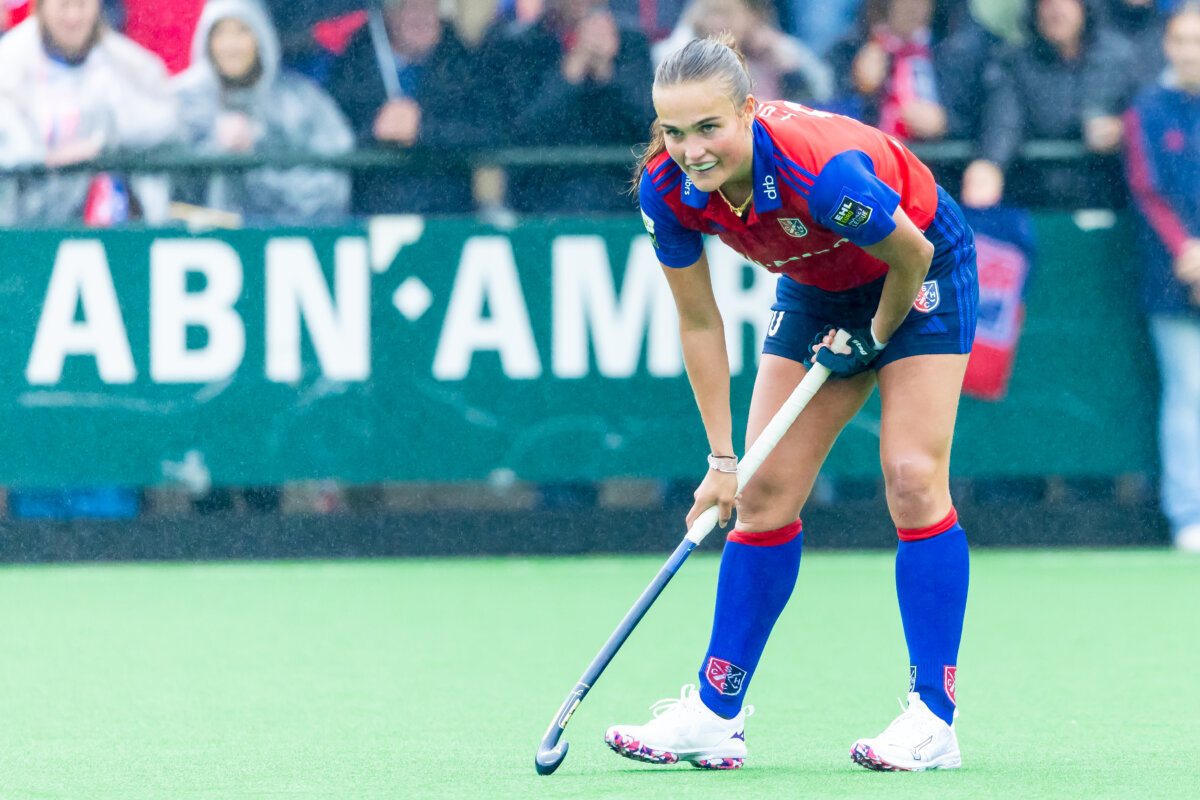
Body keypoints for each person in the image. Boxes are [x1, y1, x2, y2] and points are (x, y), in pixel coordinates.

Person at [604, 34, 977, 772]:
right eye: (673, 132)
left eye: (709, 128)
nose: (691, 151)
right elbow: (699, 323)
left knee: (911, 478)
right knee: (762, 494)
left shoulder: (819, 172)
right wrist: (722, 461)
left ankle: (934, 719)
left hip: (920, 267)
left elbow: (911, 255)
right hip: (817, 286)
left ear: (747, 111)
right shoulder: (665, 188)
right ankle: (717, 714)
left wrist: (873, 337)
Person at [1122, 2, 1200, 553]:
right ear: (1167, 47)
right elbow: (1148, 189)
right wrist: (1188, 253)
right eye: (1183, 41)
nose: (1192, 52)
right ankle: (1189, 513)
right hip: (1172, 279)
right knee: (1189, 390)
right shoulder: (1147, 109)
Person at [172, 0, 354, 225]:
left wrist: (259, 162)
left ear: (261, 35)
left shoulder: (299, 101)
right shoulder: (181, 103)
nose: (231, 45)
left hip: (283, 238)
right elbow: (162, 189)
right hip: (194, 240)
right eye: (220, 33)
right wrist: (214, 151)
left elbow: (331, 181)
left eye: (242, 31)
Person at [0, 0, 178, 225]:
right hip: (26, 226)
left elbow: (166, 124)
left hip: (117, 223)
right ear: (42, 7)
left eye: (82, 5)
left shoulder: (132, 65)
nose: (73, 17)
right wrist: (47, 157)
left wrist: (104, 144)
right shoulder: (8, 63)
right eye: (64, 6)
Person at [960, 0, 1138, 210]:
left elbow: (1148, 113)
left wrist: (1123, 128)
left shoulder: (1119, 57)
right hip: (1039, 200)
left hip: (1110, 200)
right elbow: (1004, 121)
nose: (1056, 9)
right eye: (1046, 2)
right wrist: (991, 163)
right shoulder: (1015, 63)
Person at [326, 0, 483, 215]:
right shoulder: (354, 63)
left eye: (430, 7)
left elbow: (487, 128)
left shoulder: (462, 63)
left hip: (445, 214)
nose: (421, 16)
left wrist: (422, 129)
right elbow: (332, 134)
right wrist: (376, 131)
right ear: (388, 13)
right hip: (373, 212)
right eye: (410, 7)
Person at [652, 0, 834, 106]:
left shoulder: (772, 49)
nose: (717, 22)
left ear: (750, 18)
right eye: (710, 13)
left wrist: (791, 70)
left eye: (726, 14)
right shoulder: (677, 52)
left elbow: (823, 92)